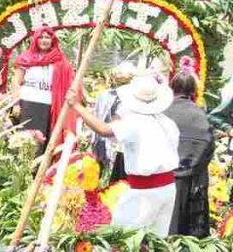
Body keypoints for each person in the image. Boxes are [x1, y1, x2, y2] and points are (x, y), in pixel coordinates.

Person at [67, 74, 180, 236]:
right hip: (168, 188)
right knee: (156, 239)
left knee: (122, 237)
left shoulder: (134, 122)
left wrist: (77, 106)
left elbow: (103, 130)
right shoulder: (167, 122)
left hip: (145, 190)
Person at [164, 71, 214, 237]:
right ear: (193, 91)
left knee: (165, 226)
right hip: (193, 180)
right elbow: (208, 146)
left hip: (164, 177)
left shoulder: (163, 112)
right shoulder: (200, 115)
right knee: (189, 232)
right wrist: (193, 167)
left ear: (171, 88)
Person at [11, 28, 76, 153]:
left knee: (45, 141)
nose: (44, 40)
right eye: (41, 37)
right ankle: (22, 169)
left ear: (52, 40)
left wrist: (84, 98)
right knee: (26, 140)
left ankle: (40, 170)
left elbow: (71, 80)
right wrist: (16, 104)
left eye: (47, 37)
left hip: (50, 106)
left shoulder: (59, 59)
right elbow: (16, 82)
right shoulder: (26, 58)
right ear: (35, 39)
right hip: (28, 104)